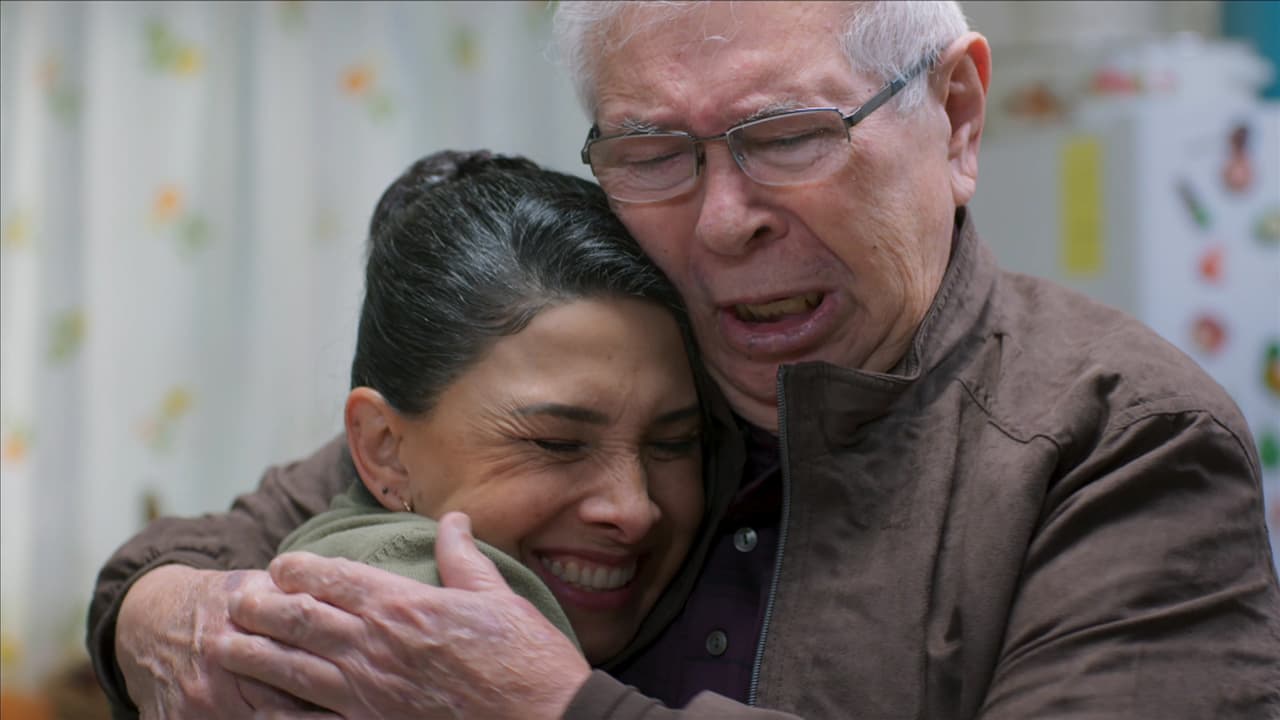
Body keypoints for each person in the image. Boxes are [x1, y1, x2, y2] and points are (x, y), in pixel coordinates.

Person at [90, 2, 1280, 719]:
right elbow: (206, 549)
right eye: (652, 152)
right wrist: (165, 616)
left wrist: (552, 704)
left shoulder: (1115, 436)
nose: (720, 224)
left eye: (787, 137)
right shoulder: (662, 360)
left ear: (958, 117)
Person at [270, 149, 721, 669]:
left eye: (675, 443)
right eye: (557, 443)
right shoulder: (398, 629)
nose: (634, 510)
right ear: (385, 449)